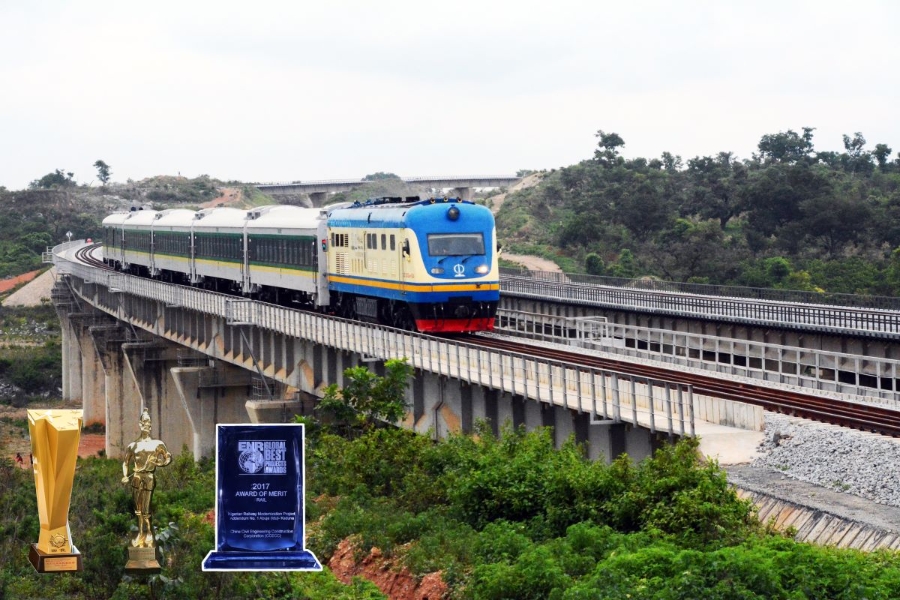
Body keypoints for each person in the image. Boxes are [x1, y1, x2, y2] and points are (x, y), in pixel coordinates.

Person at [121, 409, 172, 548]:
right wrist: (125, 475)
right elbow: (125, 462)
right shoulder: (133, 446)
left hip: (149, 477)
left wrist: (161, 463)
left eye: (148, 422)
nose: (147, 424)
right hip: (136, 477)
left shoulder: (157, 444)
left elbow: (168, 457)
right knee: (137, 509)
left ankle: (149, 532)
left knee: (146, 507)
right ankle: (140, 533)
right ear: (140, 424)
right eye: (144, 422)